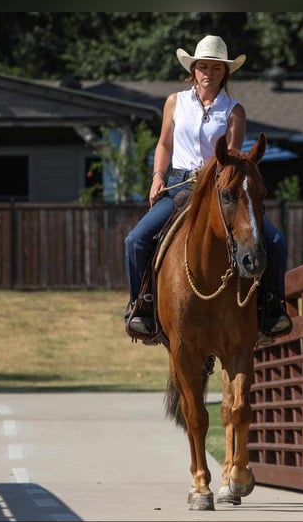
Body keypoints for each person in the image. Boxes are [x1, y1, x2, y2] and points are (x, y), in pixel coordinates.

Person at [124, 34, 292, 343]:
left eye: (216, 68)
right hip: (179, 187)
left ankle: (272, 309)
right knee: (135, 240)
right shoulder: (175, 101)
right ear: (193, 69)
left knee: (277, 241)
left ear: (225, 73)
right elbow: (163, 143)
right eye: (203, 67)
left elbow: (231, 156)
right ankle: (142, 307)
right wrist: (157, 176)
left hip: (219, 190)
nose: (209, 73)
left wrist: (214, 175)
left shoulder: (234, 110)